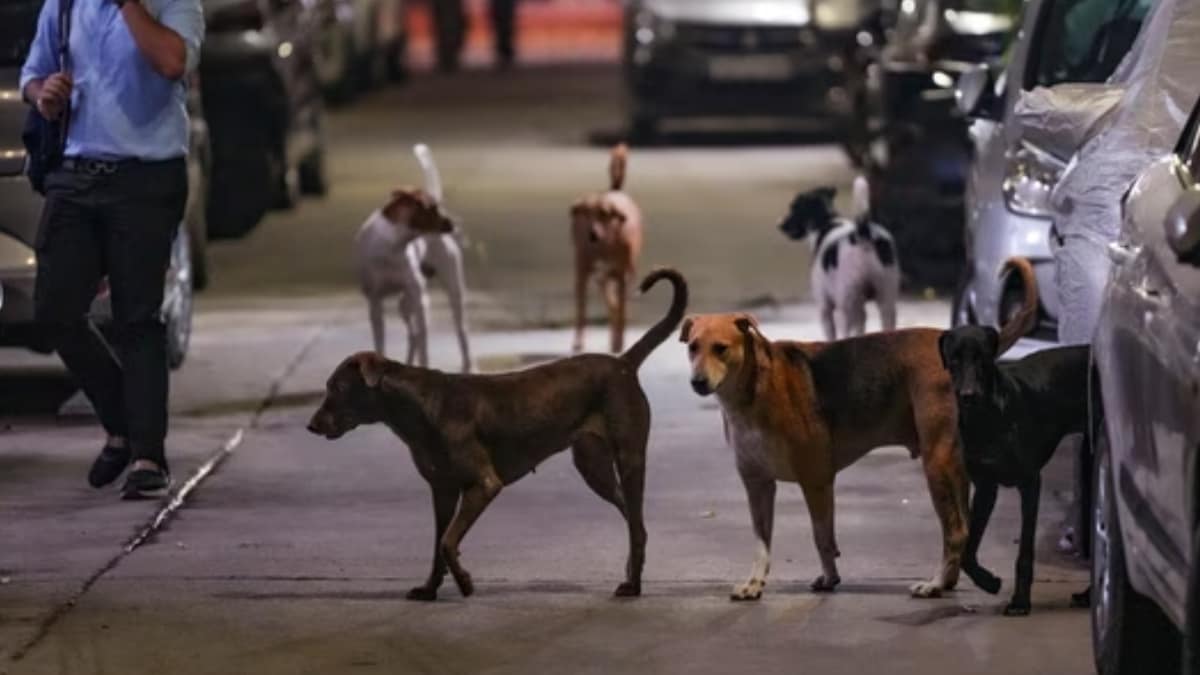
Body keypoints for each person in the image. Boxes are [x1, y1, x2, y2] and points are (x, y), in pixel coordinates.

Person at [20, 0, 204, 499]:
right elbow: (34, 75)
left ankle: (148, 454)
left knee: (136, 318)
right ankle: (124, 420)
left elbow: (172, 63)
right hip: (76, 176)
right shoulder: (62, 5)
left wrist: (128, 5)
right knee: (55, 309)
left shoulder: (175, 4)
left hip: (146, 178)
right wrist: (45, 95)